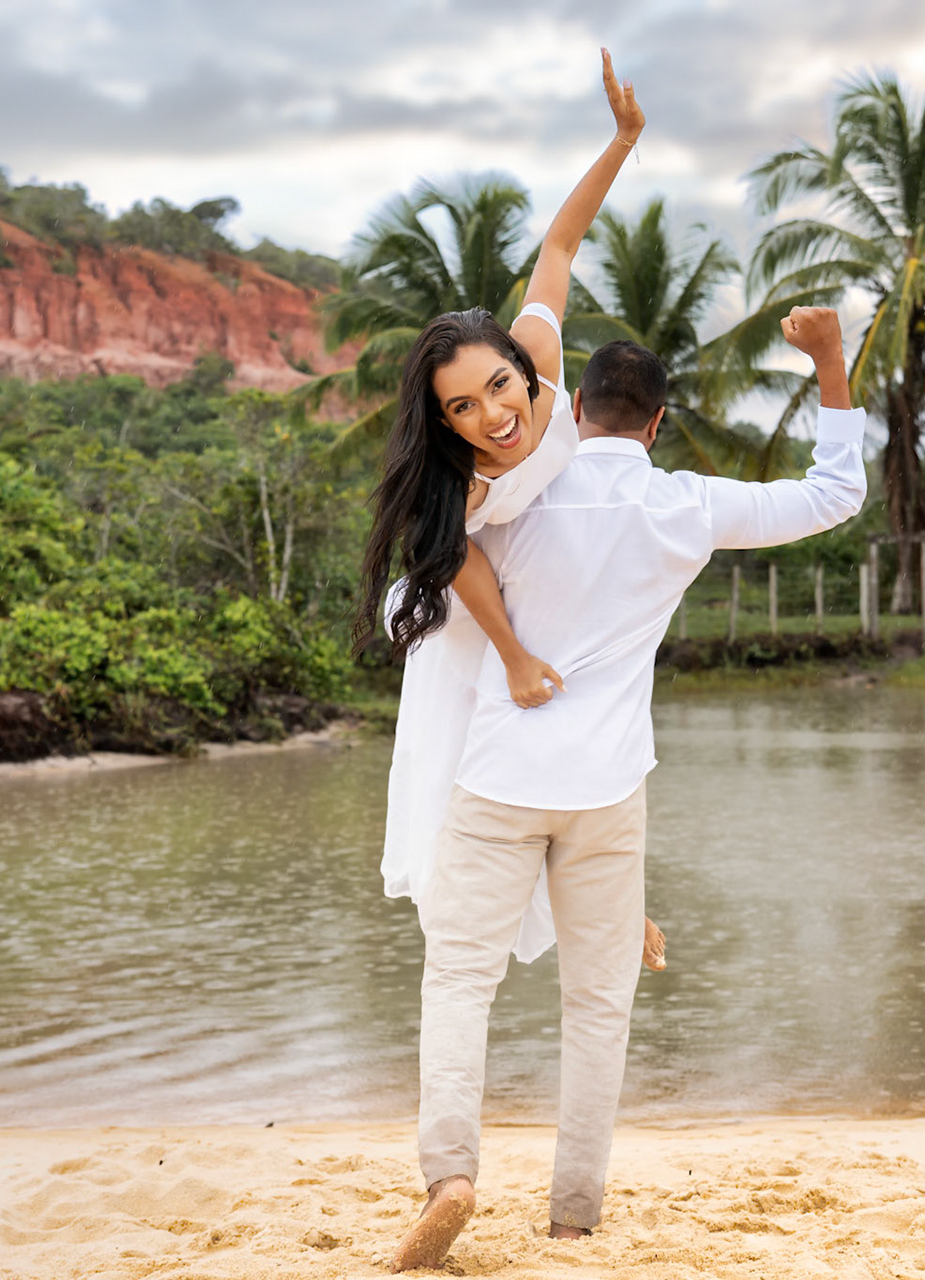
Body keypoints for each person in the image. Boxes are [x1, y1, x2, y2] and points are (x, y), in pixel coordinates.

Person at [384, 308, 866, 1270]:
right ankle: (572, 1218)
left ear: (573, 409)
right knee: (597, 1006)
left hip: (503, 774)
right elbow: (835, 495)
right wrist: (827, 362)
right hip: (606, 790)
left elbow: (432, 575)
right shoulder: (684, 504)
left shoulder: (516, 494)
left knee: (460, 980)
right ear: (654, 424)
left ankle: (452, 1177)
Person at [358, 49, 664, 973]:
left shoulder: (536, 351)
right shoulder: (465, 479)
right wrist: (515, 655)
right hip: (457, 596)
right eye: (463, 407)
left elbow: (559, 245)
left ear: (521, 368)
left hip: (515, 577)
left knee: (582, 728)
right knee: (471, 768)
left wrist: (623, 139)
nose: (494, 417)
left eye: (498, 388)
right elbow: (458, 561)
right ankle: (582, 916)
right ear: (444, 419)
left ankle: (612, 904)